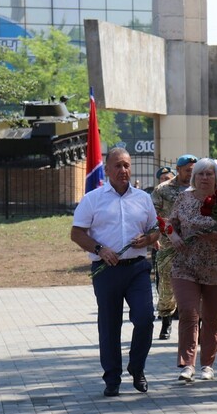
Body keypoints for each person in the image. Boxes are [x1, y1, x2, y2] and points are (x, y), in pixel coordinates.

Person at [70, 148, 160, 397]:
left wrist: (148, 239)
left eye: (127, 166)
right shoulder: (93, 199)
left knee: (145, 319)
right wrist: (99, 249)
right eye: (118, 166)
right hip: (106, 270)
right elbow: (77, 233)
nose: (123, 171)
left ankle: (137, 367)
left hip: (137, 269)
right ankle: (112, 378)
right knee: (110, 325)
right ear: (107, 169)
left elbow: (155, 230)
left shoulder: (143, 198)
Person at [168, 158, 217, 383]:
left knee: (212, 317)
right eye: (201, 174)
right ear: (194, 177)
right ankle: (187, 364)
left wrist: (216, 235)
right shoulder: (183, 198)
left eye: (209, 174)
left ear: (216, 178)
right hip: (185, 265)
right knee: (188, 312)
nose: (205, 178)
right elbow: (168, 224)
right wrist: (174, 236)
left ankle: (207, 364)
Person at [151, 154, 197, 340]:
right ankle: (166, 322)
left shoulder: (200, 187)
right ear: (178, 170)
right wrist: (167, 233)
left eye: (194, 171)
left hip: (195, 247)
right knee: (167, 285)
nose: (191, 174)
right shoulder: (163, 190)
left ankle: (193, 325)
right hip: (169, 246)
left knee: (195, 287)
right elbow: (154, 216)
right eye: (188, 171)